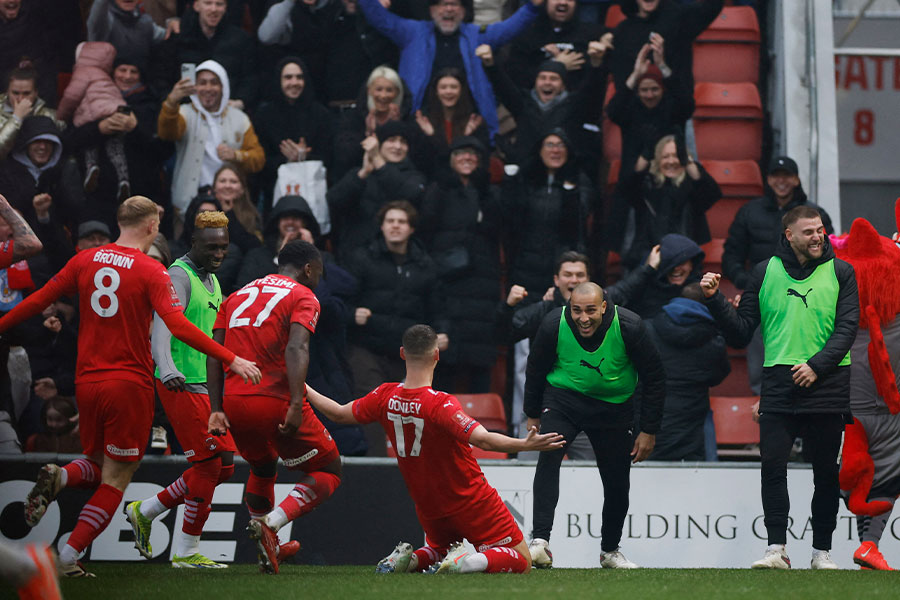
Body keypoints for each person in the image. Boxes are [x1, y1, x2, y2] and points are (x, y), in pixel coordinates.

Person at [2, 196, 260, 577]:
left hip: (86, 380)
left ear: (118, 220)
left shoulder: (85, 260)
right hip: (130, 383)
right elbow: (177, 325)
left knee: (95, 463)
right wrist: (229, 357)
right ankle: (69, 556)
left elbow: (40, 298)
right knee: (118, 477)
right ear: (153, 226)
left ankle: (62, 477)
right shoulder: (152, 270)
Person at [306, 323, 566, 574]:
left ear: (402, 353)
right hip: (469, 498)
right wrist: (526, 443)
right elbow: (484, 440)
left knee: (440, 549)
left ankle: (409, 560)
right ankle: (467, 562)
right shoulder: (440, 404)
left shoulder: (385, 395)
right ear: (437, 355)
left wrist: (302, 387)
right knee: (522, 559)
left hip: (428, 505)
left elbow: (338, 414)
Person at [700, 205, 858, 570]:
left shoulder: (841, 272)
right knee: (772, 467)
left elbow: (847, 328)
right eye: (809, 232)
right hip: (779, 380)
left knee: (825, 472)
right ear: (789, 236)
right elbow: (741, 331)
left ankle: (822, 553)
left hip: (828, 380)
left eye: (820, 230)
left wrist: (816, 366)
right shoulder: (763, 272)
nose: (818, 237)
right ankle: (777, 550)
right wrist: (715, 301)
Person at [122, 210, 249, 568]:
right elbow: (161, 325)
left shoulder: (211, 279)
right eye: (212, 247)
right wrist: (166, 367)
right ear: (194, 242)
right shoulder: (179, 275)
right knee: (211, 467)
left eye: (223, 247)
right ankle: (186, 551)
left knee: (223, 468)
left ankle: (146, 509)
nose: (219, 254)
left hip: (204, 386)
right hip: (180, 384)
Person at [208, 240, 341, 575]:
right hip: (274, 399)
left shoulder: (237, 295)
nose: (318, 280)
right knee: (329, 469)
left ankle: (269, 546)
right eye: (319, 273)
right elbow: (297, 346)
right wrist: (296, 403)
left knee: (263, 468)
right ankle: (272, 523)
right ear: (309, 269)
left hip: (233, 402)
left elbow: (214, 351)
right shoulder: (303, 295)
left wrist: (216, 407)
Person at [525, 282, 665, 569]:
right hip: (564, 400)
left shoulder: (630, 326)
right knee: (548, 458)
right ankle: (540, 542)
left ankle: (610, 551)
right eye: (576, 311)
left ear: (604, 307)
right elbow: (535, 368)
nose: (583, 318)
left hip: (614, 408)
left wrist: (648, 430)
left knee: (617, 482)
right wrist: (532, 414)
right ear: (568, 307)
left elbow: (655, 377)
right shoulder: (553, 323)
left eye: (590, 310)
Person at [722, 156, 835, 395]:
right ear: (768, 179)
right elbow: (731, 255)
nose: (781, 181)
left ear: (796, 179)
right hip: (764, 295)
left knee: (811, 349)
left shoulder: (815, 213)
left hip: (807, 295)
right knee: (760, 355)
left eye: (787, 176)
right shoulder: (749, 212)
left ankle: (808, 402)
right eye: (775, 175)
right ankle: (763, 405)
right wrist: (748, 283)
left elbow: (831, 253)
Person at [357, 0, 546, 142]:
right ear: (432, 10)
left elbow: (509, 29)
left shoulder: (477, 35)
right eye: (443, 4)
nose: (449, 9)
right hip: (420, 125)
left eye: (454, 4)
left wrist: (532, 7)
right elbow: (379, 18)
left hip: (470, 127)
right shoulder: (411, 32)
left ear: (463, 11)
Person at [830, 212, 900, 571]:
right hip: (890, 411)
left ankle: (865, 549)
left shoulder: (837, 314)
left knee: (857, 478)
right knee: (886, 478)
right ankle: (869, 544)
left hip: (848, 409)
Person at [417, 136, 500, 393]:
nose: (467, 158)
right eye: (461, 153)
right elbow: (425, 231)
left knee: (479, 361)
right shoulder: (438, 189)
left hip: (483, 285)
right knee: (445, 359)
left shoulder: (490, 192)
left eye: (473, 154)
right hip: (448, 282)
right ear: (451, 160)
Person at [479, 40, 609, 169]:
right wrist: (490, 64)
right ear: (535, 82)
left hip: (564, 171)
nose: (547, 83)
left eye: (554, 79)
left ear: (563, 86)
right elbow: (502, 86)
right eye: (542, 78)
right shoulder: (523, 103)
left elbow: (592, 91)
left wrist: (596, 63)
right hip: (527, 171)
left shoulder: (574, 105)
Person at [158, 59, 264, 218]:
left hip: (230, 204)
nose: (208, 88)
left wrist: (236, 155)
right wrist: (172, 101)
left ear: (223, 87)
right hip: (189, 206)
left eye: (214, 83)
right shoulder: (184, 113)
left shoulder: (239, 118)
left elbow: (258, 159)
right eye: (202, 83)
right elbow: (167, 133)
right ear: (195, 87)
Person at [501, 128, 592, 298]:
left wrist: (570, 189)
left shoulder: (578, 180)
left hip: (561, 268)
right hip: (525, 265)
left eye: (560, 145)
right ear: (540, 150)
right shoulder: (526, 179)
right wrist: (510, 176)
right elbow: (509, 214)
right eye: (549, 145)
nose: (555, 150)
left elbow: (580, 217)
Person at [610, 133, 720, 269]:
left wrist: (688, 163)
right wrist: (645, 155)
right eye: (665, 156)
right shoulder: (646, 184)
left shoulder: (692, 187)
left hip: (685, 256)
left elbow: (712, 193)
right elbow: (627, 187)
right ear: (657, 159)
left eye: (676, 156)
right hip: (647, 255)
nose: (671, 161)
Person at [646, 283, 730, 460]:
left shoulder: (647, 331)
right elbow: (719, 375)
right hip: (693, 426)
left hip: (651, 425)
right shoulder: (715, 340)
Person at [327, 121, 426, 260]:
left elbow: (411, 194)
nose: (397, 146)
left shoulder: (414, 176)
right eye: (391, 140)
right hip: (357, 254)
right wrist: (363, 173)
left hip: (397, 255)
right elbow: (334, 201)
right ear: (380, 144)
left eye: (403, 142)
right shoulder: (359, 173)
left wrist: (379, 162)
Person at [605, 37, 694, 179]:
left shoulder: (672, 109)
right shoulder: (630, 110)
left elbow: (688, 105)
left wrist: (662, 66)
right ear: (637, 91)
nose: (649, 95)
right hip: (633, 180)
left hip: (669, 178)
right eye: (644, 90)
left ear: (662, 90)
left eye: (654, 89)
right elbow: (613, 111)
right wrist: (635, 75)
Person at [255, 57, 334, 215]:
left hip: (313, 192)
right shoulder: (265, 115)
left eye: (299, 77)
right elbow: (260, 161)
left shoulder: (321, 114)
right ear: (279, 80)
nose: (294, 82)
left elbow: (330, 155)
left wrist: (306, 155)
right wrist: (287, 160)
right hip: (275, 192)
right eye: (288, 77)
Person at [56, 41, 133, 201]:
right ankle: (123, 179)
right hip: (116, 112)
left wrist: (61, 115)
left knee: (91, 144)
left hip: (94, 115)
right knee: (116, 148)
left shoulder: (84, 72)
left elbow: (71, 96)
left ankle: (92, 167)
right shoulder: (106, 77)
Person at [607, 0, 723, 93]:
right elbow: (621, 84)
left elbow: (712, 6)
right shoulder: (622, 31)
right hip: (635, 113)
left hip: (676, 109)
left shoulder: (679, 18)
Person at [169, 0, 259, 109]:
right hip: (186, 111)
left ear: (225, 8)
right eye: (208, 3)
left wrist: (241, 101)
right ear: (196, 6)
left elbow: (251, 77)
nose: (214, 9)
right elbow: (162, 79)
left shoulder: (241, 40)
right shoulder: (179, 38)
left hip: (228, 111)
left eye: (219, 4)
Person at [0, 116, 84, 233]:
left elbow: (76, 208)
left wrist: (44, 214)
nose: (42, 147)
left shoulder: (66, 169)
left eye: (48, 142)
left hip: (58, 239)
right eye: (37, 141)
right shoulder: (7, 170)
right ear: (26, 144)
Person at [505, 0, 606, 91]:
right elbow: (515, 76)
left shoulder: (591, 33)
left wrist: (608, 37)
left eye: (570, 0)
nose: (563, 2)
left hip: (578, 102)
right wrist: (556, 66)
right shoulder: (526, 35)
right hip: (531, 102)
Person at [332, 65, 407, 182]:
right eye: (379, 89)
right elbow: (343, 156)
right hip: (359, 178)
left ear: (397, 93)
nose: (383, 95)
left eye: (389, 90)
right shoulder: (351, 117)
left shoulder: (406, 119)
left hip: (396, 181)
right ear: (369, 90)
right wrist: (367, 134)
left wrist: (396, 128)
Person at [412, 67, 489, 177]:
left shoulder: (474, 120)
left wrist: (467, 137)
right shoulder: (424, 120)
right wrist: (431, 136)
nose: (448, 91)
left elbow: (483, 161)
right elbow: (421, 162)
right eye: (443, 87)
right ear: (436, 92)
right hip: (434, 181)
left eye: (454, 87)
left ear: (461, 90)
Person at [0, 67, 63, 160]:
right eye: (15, 93)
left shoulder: (50, 116)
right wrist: (16, 118)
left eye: (26, 93)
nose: (20, 99)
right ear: (7, 92)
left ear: (36, 93)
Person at [210, 162, 262, 253]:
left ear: (242, 189)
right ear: (214, 187)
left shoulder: (252, 216)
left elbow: (255, 248)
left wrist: (229, 215)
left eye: (233, 182)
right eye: (222, 181)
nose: (227, 186)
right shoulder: (205, 211)